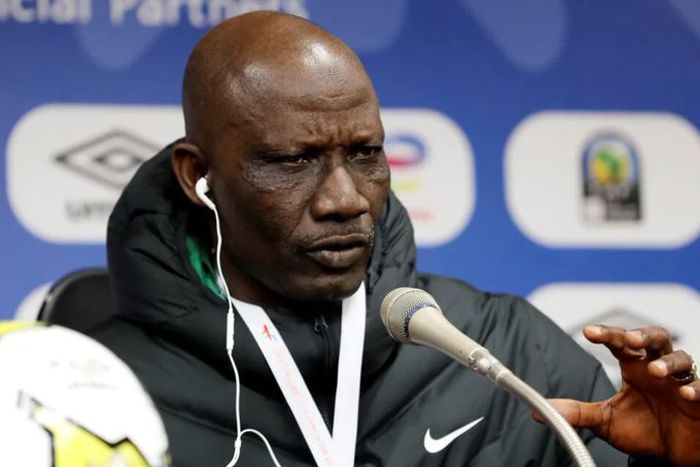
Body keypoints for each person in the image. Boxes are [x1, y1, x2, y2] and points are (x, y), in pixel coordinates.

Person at [90, 10, 700, 467]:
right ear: (198, 176)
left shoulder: (512, 351)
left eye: (365, 154)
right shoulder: (98, 390)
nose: (345, 200)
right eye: (293, 161)